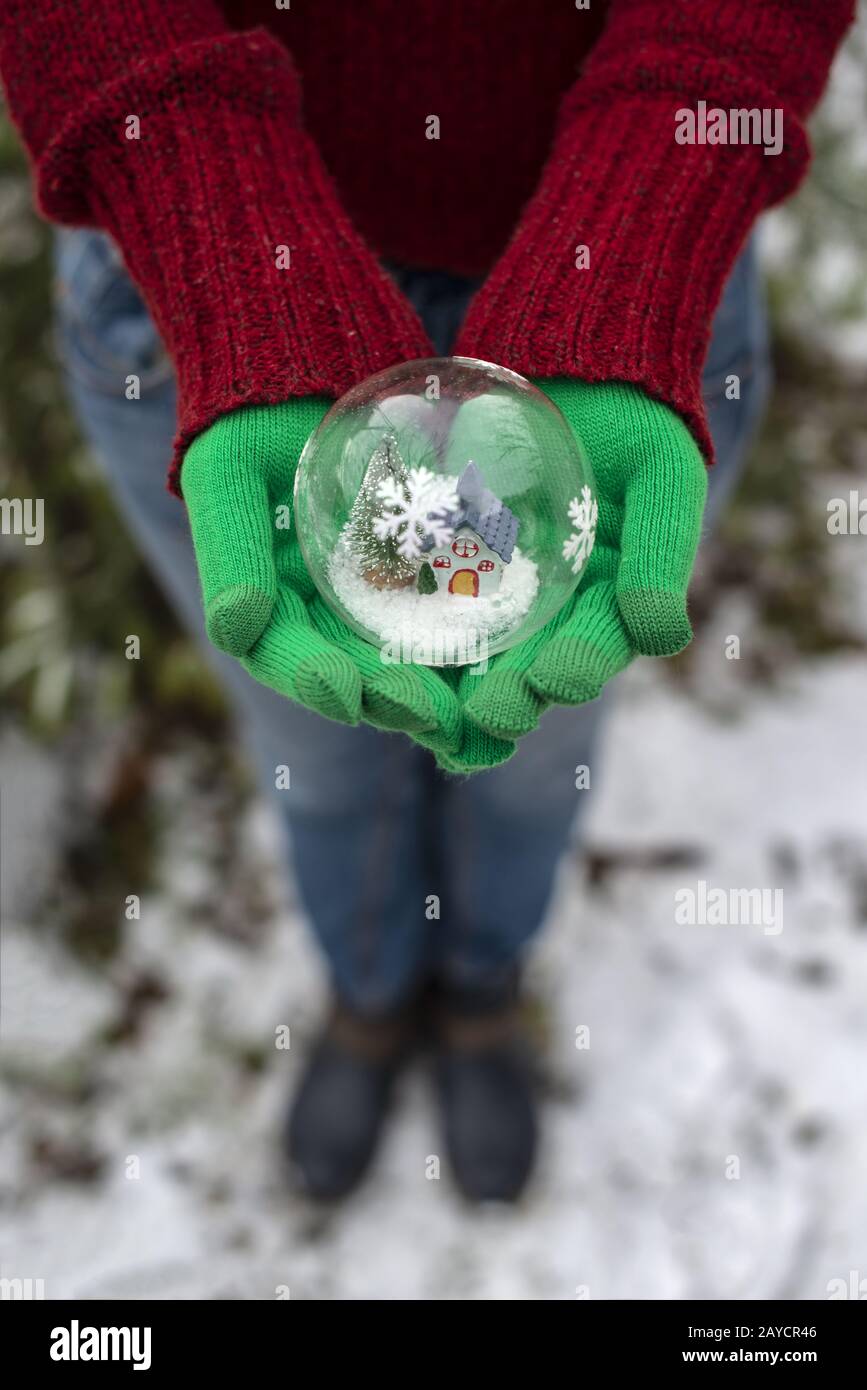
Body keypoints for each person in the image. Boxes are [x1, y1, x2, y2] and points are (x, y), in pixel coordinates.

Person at [1, 1, 853, 1203]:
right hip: (198, 267)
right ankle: (368, 989)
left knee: (534, 728)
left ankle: (482, 987)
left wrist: (646, 198)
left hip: (628, 264)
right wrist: (218, 210)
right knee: (315, 730)